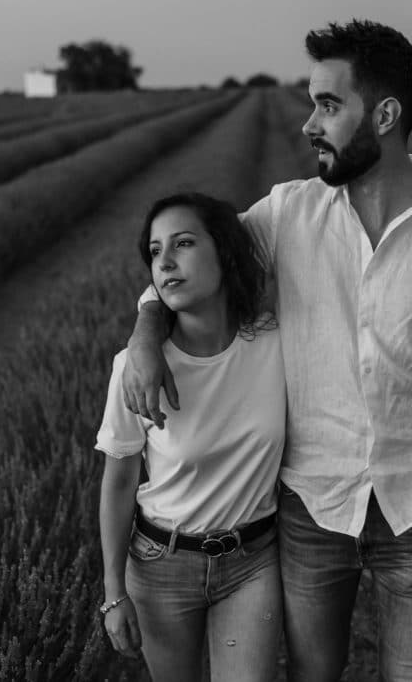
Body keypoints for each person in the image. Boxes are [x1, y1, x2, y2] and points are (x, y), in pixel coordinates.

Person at [122, 20, 412, 682]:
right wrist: (145, 333)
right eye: (313, 104)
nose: (310, 123)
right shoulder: (286, 214)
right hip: (312, 505)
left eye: (329, 105)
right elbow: (187, 271)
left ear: (386, 115)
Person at [95, 192, 285, 682]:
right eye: (155, 252)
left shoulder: (276, 345)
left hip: (252, 561)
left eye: (183, 244)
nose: (166, 262)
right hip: (162, 565)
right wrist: (113, 592)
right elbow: (118, 483)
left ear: (224, 250)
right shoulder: (134, 370)